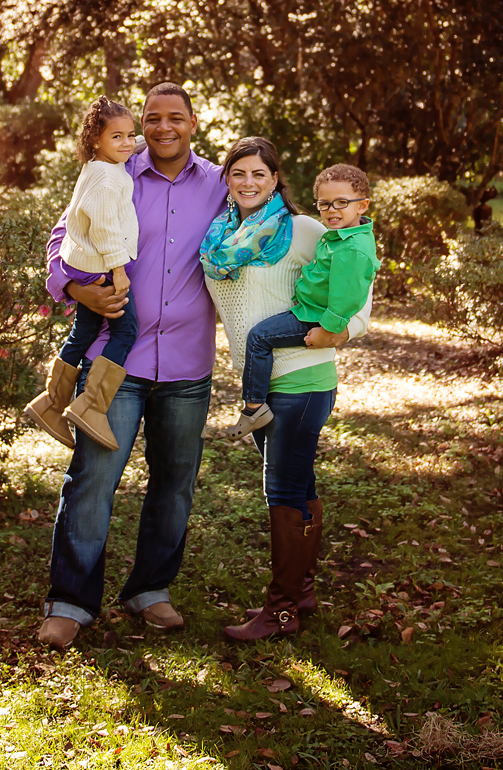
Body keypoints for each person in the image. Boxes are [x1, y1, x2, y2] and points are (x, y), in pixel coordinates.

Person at [34, 84, 229, 650]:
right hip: (116, 363)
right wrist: (74, 288)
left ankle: (151, 589)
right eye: (151, 119)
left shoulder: (219, 183)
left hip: (188, 360)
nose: (162, 128)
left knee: (174, 484)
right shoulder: (112, 170)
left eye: (175, 118)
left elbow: (263, 231)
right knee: (93, 480)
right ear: (138, 125)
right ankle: (70, 601)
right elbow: (63, 237)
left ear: (193, 122)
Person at [199, 140, 370, 642]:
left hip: (303, 378)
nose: (248, 182)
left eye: (259, 173)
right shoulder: (218, 237)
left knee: (283, 492)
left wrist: (339, 331)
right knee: (300, 487)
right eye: (237, 173)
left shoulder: (306, 230)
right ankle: (303, 588)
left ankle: (279, 611)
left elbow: (359, 292)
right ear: (226, 179)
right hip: (258, 382)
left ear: (276, 180)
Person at [208, 161, 376, 437]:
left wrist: (332, 330)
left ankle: (253, 408)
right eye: (325, 204)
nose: (332, 210)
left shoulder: (312, 232)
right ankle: (254, 405)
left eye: (342, 203)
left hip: (304, 363)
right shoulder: (219, 236)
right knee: (283, 478)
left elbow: (357, 291)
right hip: (274, 363)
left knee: (259, 336)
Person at [25, 99, 142, 452]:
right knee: (126, 329)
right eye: (117, 137)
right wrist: (119, 271)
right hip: (100, 267)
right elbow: (105, 228)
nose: (126, 143)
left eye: (131, 136)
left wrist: (140, 141)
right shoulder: (107, 181)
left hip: (83, 262)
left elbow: (126, 145)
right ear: (95, 140)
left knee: (86, 329)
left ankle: (50, 402)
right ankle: (90, 406)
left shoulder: (98, 164)